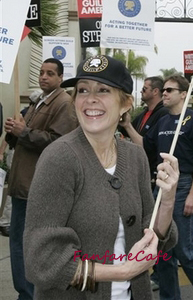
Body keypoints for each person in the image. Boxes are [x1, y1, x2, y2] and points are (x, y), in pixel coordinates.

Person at [23, 55, 179, 300]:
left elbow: (153, 237)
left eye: (103, 90)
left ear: (125, 103)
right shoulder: (59, 157)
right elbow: (42, 259)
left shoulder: (135, 156)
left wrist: (168, 198)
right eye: (82, 90)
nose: (90, 99)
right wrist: (123, 271)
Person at [120, 75, 193, 300]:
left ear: (183, 94)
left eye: (170, 90)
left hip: (183, 185)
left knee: (186, 252)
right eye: (164, 90)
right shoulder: (162, 121)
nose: (164, 93)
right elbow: (145, 145)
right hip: (161, 185)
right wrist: (126, 126)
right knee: (161, 249)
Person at [4, 58, 78, 300]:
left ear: (60, 78)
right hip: (22, 183)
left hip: (35, 185)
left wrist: (23, 132)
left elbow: (58, 141)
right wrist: (14, 131)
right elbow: (26, 137)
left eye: (50, 73)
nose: (43, 77)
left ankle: (27, 294)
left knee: (23, 244)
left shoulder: (63, 103)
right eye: (41, 72)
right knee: (21, 243)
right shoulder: (38, 101)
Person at [0, 90, 41, 237]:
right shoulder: (25, 114)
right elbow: (8, 135)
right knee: (14, 189)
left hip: (24, 157)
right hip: (17, 155)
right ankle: (6, 222)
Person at [120, 76, 168, 187]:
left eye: (145, 89)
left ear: (155, 91)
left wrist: (127, 126)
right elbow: (127, 131)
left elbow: (147, 145)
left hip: (154, 174)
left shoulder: (164, 114)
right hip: (140, 169)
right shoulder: (144, 113)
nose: (141, 91)